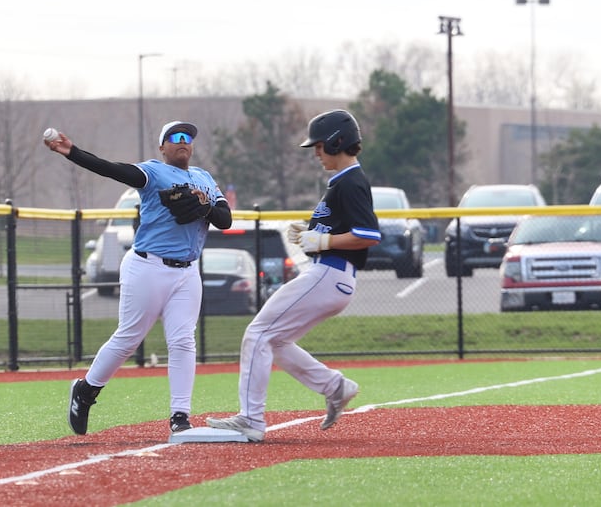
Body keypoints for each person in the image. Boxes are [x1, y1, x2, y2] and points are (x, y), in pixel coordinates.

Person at [44, 120, 232, 436]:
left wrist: (204, 208)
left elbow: (225, 219)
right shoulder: (153, 172)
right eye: (175, 137)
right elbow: (110, 169)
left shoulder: (204, 178)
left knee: (183, 340)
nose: (183, 141)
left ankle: (180, 416)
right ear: (162, 147)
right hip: (148, 266)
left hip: (187, 272)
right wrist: (71, 152)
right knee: (129, 337)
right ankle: (86, 390)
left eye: (188, 137)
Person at [206, 109, 380, 442]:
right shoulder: (342, 181)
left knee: (257, 333)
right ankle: (335, 387)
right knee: (274, 339)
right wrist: (314, 232)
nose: (316, 153)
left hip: (330, 275)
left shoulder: (351, 181)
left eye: (319, 146)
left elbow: (368, 235)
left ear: (336, 141)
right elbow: (344, 230)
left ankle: (250, 420)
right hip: (331, 275)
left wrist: (324, 240)